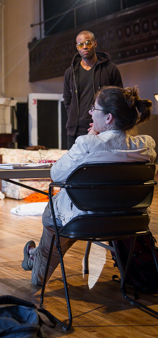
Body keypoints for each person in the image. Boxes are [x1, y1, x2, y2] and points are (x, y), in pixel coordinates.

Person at [22, 86, 156, 287]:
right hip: (129, 221)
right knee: (77, 218)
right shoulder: (146, 145)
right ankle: (33, 255)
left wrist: (93, 137)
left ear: (109, 118)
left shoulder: (87, 144)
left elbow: (55, 174)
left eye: (94, 109)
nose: (90, 112)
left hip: (84, 220)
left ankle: (37, 273)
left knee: (58, 221)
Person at [63, 30, 123, 150]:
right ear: (77, 47)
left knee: (99, 167)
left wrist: (106, 123)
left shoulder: (110, 69)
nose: (84, 47)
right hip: (75, 131)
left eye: (88, 43)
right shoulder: (70, 73)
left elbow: (119, 99)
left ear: (95, 44)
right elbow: (67, 100)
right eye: (81, 44)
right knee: (75, 167)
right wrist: (73, 117)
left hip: (103, 130)